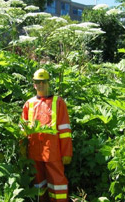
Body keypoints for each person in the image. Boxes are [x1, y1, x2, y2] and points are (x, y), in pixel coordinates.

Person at [22, 68, 73, 202]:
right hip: (34, 151)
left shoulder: (58, 102)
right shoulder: (29, 103)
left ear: (48, 83)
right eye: (38, 82)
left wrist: (66, 152)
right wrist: (22, 149)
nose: (41, 84)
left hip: (53, 151)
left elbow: (65, 130)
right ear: (34, 83)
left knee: (57, 182)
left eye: (43, 82)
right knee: (38, 182)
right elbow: (23, 130)